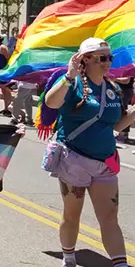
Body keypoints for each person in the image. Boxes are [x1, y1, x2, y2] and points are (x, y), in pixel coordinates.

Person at [44, 38, 135, 267]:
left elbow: (114, 127)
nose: (107, 63)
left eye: (109, 58)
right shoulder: (72, 84)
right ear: (84, 59)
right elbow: (50, 103)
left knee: (109, 217)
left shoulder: (112, 88)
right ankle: (69, 257)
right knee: (72, 214)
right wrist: (68, 76)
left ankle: (120, 264)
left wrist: (133, 114)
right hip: (74, 159)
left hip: (105, 162)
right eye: (101, 58)